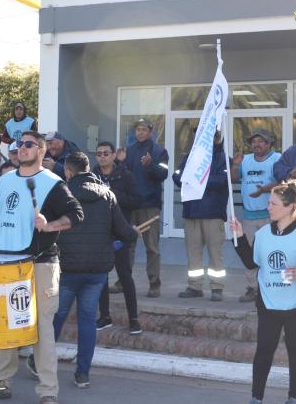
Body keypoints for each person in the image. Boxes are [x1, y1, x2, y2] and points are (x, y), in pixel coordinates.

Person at [0, 131, 83, 404]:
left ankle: (48, 392)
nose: (21, 148)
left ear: (42, 151)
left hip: (41, 264)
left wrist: (49, 225)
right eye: (19, 144)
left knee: (42, 329)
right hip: (8, 264)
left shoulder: (52, 183)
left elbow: (76, 214)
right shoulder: (5, 179)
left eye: (29, 145)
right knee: (6, 325)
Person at [230, 180, 296, 404]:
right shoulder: (264, 233)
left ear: (289, 207)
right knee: (264, 350)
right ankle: (255, 400)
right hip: (269, 303)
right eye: (268, 203)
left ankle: (293, 400)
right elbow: (251, 263)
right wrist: (239, 237)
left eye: (273, 203)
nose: (268, 207)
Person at [54, 152, 137, 389]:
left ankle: (39, 363)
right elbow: (123, 230)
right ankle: (83, 374)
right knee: (87, 319)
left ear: (68, 172)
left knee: (57, 316)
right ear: (88, 169)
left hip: (68, 268)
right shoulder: (107, 195)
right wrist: (132, 234)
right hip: (97, 269)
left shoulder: (61, 194)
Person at [173, 130, 229, 301]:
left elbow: (222, 180)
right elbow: (176, 175)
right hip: (191, 212)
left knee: (215, 253)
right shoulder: (189, 156)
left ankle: (217, 287)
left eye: (209, 135)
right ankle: (194, 286)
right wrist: (187, 177)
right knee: (193, 253)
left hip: (213, 213)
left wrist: (198, 179)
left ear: (216, 138)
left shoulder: (223, 157)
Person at [116, 119, 169, 297]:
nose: (140, 132)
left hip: (150, 206)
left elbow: (163, 174)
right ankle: (123, 281)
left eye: (143, 129)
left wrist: (150, 165)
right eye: (137, 129)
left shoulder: (159, 151)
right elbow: (122, 176)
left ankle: (154, 284)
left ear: (150, 131)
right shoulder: (128, 151)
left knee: (152, 247)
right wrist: (121, 162)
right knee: (127, 246)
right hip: (131, 207)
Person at [93, 141, 142, 333]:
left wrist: (114, 194)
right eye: (99, 154)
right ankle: (104, 317)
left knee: (125, 276)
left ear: (114, 155)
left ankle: (134, 319)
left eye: (106, 153)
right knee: (101, 277)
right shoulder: (92, 176)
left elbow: (137, 201)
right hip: (100, 233)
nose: (103, 156)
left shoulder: (125, 175)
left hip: (120, 232)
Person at [232, 129, 282, 303]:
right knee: (249, 255)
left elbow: (283, 180)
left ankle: (271, 287)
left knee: (270, 253)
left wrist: (264, 190)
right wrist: (236, 165)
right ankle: (253, 288)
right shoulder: (245, 160)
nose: (257, 144)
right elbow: (232, 178)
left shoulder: (276, 159)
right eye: (254, 142)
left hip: (270, 215)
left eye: (261, 141)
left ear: (269, 144)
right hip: (249, 216)